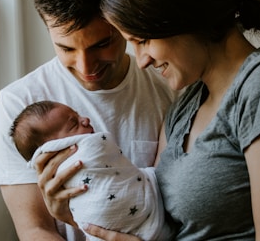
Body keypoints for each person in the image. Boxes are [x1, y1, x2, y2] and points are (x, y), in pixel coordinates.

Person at [36, 0, 260, 240]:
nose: (142, 60)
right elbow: (154, 218)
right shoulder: (187, 103)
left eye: (143, 40)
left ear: (187, 16)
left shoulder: (259, 85)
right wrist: (73, 214)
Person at [0, 0, 176, 240]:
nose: (85, 68)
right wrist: (66, 217)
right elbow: (34, 229)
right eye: (66, 48)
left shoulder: (169, 87)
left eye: (101, 44)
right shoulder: (18, 105)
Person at [10, 100, 172, 241]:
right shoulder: (13, 100)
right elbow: (34, 230)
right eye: (74, 124)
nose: (85, 120)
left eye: (78, 115)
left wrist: (73, 219)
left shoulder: (163, 92)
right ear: (54, 148)